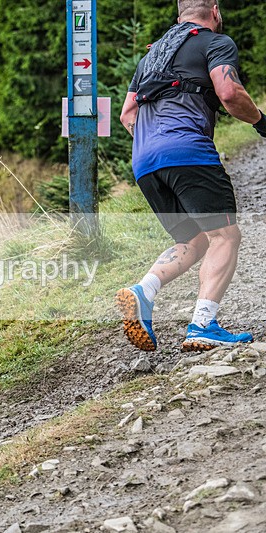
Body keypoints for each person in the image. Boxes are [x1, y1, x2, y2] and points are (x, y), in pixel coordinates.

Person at [117, 0, 266, 352]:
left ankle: (143, 291)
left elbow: (127, 115)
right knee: (225, 236)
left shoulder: (151, 57)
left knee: (195, 240)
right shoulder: (215, 42)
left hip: (145, 162)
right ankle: (203, 325)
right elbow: (229, 93)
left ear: (179, 13)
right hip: (187, 151)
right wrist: (261, 122)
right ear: (214, 10)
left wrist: (157, 146)